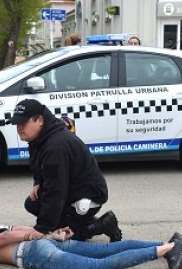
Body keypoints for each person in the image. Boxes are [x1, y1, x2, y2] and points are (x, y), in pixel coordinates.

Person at [9, 99, 122, 242]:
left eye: (23, 123)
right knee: (32, 204)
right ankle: (82, 222)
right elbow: (38, 165)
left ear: (40, 120)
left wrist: (42, 228)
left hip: (87, 196)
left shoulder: (56, 147)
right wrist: (37, 182)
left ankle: (104, 225)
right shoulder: (39, 138)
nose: (19, 127)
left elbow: (56, 191)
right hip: (71, 189)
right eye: (17, 123)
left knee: (64, 237)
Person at [0, 225, 182, 269]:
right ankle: (169, 242)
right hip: (44, 242)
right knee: (105, 250)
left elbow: (4, 239)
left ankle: (169, 249)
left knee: (98, 268)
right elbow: (14, 229)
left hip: (34, 254)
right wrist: (50, 234)